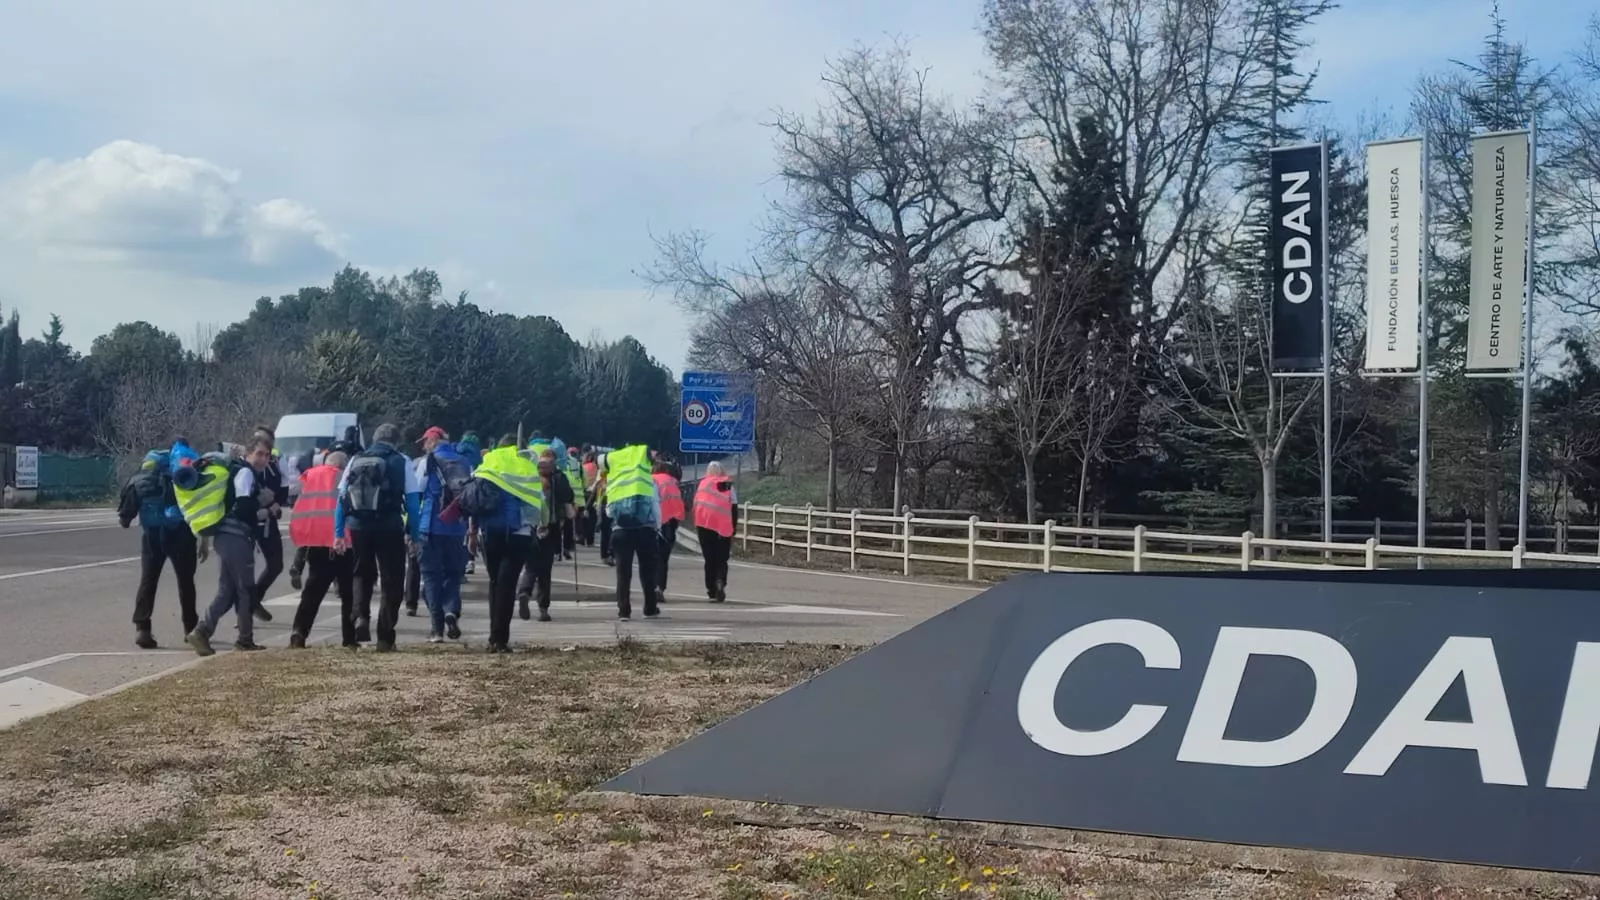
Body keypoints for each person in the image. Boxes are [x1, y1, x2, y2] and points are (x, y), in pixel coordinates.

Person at [334, 423, 421, 652]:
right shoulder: (401, 460)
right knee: (392, 580)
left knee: (362, 574)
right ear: (396, 440)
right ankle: (385, 636)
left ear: (375, 439)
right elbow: (412, 501)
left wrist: (339, 532)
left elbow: (342, 498)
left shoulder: (355, 459)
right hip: (389, 526)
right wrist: (414, 533)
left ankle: (361, 616)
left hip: (359, 526)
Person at [186, 436, 276, 656]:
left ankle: (202, 632)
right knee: (245, 590)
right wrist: (267, 510)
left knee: (227, 590)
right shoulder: (245, 473)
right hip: (236, 537)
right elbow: (244, 509)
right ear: (248, 454)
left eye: (267, 455)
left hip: (226, 537)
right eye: (259, 454)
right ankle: (243, 639)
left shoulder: (245, 472)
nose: (263, 459)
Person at [116, 444, 201, 648]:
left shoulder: (139, 480)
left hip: (152, 535)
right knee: (186, 583)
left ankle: (142, 627)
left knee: (148, 580)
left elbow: (124, 519)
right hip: (181, 534)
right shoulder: (185, 476)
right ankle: (191, 629)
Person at [469, 434, 545, 652]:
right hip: (518, 534)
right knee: (507, 585)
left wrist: (473, 531)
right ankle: (500, 638)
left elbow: (476, 499)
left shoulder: (489, 463)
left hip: (490, 532)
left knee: (494, 583)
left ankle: (493, 637)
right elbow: (534, 506)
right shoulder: (525, 464)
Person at [288, 451, 357, 648]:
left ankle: (298, 633)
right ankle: (349, 639)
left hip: (316, 541)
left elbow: (300, 506)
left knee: (312, 593)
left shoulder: (310, 476)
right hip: (343, 542)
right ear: (343, 465)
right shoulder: (346, 476)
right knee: (348, 594)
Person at [414, 426, 472, 642]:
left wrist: (411, 528)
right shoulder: (464, 461)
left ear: (432, 441)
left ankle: (436, 628)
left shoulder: (425, 462)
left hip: (430, 525)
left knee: (430, 576)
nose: (422, 445)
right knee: (453, 574)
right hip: (456, 525)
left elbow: (417, 494)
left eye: (425, 441)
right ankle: (451, 610)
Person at [602, 444, 661, 620]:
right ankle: (650, 607)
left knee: (623, 572)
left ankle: (624, 610)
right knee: (647, 571)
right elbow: (655, 506)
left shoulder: (617, 480)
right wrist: (657, 526)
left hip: (621, 532)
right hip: (645, 531)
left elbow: (609, 511)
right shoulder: (648, 481)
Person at [516, 445, 574, 622]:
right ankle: (543, 608)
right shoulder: (559, 478)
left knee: (531, 565)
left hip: (530, 527)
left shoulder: (530, 475)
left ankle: (524, 591)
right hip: (552, 527)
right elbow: (568, 499)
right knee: (545, 569)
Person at [694, 460, 738, 602]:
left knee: (709, 558)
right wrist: (733, 527)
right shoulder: (727, 485)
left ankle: (711, 589)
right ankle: (720, 581)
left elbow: (696, 505)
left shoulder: (703, 484)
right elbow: (734, 507)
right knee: (722, 558)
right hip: (723, 525)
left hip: (704, 525)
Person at [652, 459, 685, 601]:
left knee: (650, 558)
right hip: (669, 524)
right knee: (663, 559)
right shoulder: (673, 483)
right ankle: (660, 587)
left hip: (652, 524)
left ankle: (651, 588)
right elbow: (678, 504)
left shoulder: (650, 480)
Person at [457, 431, 484, 577]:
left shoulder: (457, 453)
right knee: (472, 530)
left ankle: (461, 563)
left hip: (459, 495)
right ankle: (470, 560)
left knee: (460, 529)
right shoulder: (478, 456)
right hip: (474, 495)